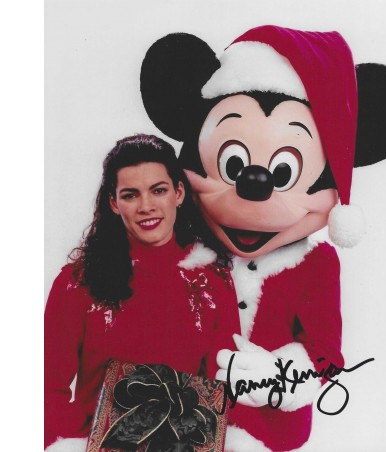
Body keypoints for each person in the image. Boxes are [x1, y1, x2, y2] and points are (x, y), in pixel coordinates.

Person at [44, 134, 240, 451]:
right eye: (130, 195)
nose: (146, 206)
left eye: (158, 190)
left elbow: (220, 390)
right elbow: (46, 388)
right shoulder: (76, 283)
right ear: (114, 203)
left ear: (178, 193)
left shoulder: (214, 281)